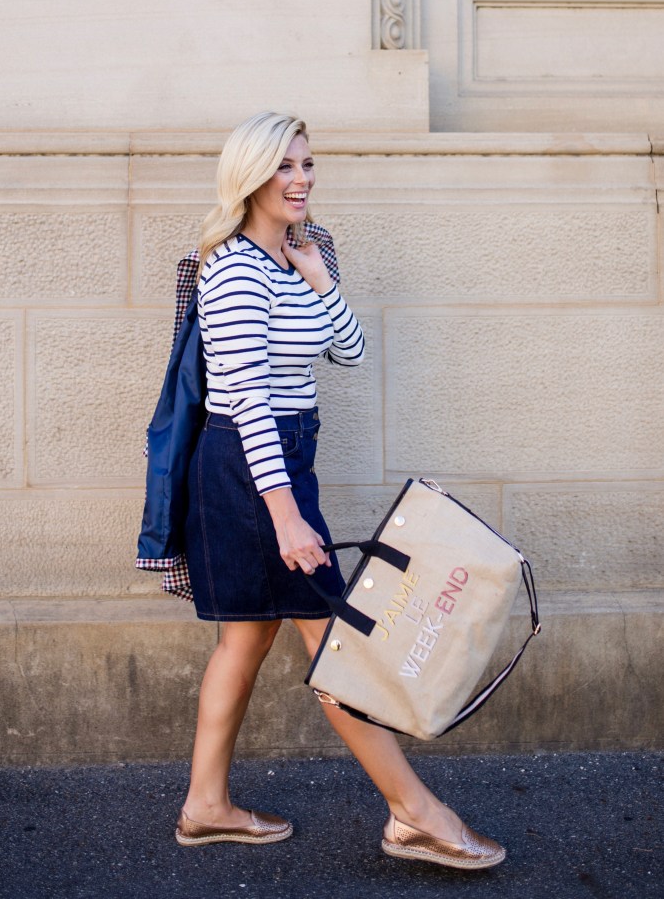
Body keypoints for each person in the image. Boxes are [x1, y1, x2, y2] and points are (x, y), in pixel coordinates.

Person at [175, 111, 505, 871]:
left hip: (283, 459)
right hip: (252, 469)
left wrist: (319, 276)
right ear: (250, 176)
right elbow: (248, 401)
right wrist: (287, 516)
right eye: (284, 166)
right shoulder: (233, 269)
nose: (301, 179)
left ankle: (206, 805)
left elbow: (348, 348)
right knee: (335, 641)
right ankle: (415, 813)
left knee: (246, 637)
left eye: (307, 164)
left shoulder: (297, 256)